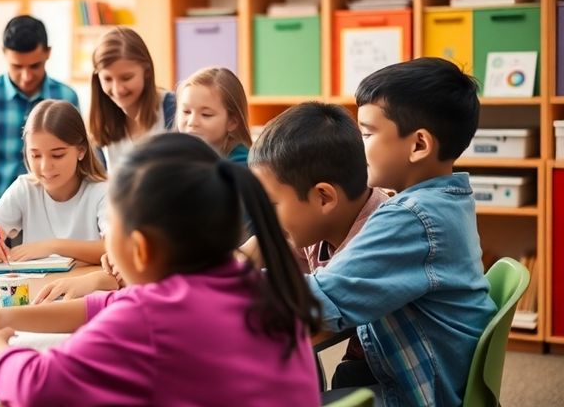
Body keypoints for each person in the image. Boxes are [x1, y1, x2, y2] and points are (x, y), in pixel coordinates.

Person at [0, 133, 321, 406]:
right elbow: (103, 306)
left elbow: (39, 385)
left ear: (139, 248)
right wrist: (1, 316)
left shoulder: (152, 317)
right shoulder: (253, 285)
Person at [308, 58, 497, 404]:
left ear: (419, 145)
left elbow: (320, 300)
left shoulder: (413, 217)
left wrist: (228, 279)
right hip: (437, 382)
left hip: (419, 395)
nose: (357, 146)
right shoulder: (448, 200)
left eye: (366, 133)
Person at [244, 101, 388, 388]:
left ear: (323, 197)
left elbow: (312, 316)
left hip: (392, 382)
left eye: (272, 204)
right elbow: (261, 248)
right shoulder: (321, 222)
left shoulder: (378, 235)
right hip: (362, 368)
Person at [0, 15, 79, 226]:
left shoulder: (66, 97)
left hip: (50, 219)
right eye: (17, 66)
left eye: (35, 66)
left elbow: (74, 161)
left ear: (48, 53)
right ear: (4, 54)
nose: (26, 76)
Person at [0, 100, 107, 265]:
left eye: (57, 155)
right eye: (35, 155)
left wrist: (53, 246)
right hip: (37, 288)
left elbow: (116, 249)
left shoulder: (102, 192)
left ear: (81, 150)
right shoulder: (25, 188)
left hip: (85, 288)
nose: (45, 167)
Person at [88, 27, 175, 171]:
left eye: (126, 78)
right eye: (108, 79)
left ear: (146, 71)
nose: (118, 90)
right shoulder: (101, 126)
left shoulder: (173, 109)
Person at [176, 66, 252, 164]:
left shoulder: (242, 162)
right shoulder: (176, 153)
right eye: (186, 112)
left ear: (232, 121)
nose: (192, 122)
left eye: (206, 114)